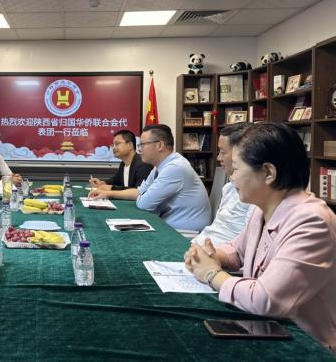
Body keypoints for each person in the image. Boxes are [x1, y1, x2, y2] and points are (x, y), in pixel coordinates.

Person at [185, 123, 336, 353]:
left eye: (236, 168)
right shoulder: (262, 210)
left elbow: (265, 299)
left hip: (307, 347)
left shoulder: (312, 222)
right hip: (269, 331)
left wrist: (211, 273)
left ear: (268, 173)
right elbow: (238, 251)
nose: (231, 177)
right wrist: (209, 256)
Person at [89, 124, 210, 232]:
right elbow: (139, 192)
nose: (139, 149)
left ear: (160, 145)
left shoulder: (175, 168)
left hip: (183, 233)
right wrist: (107, 194)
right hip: (168, 224)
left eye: (143, 144)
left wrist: (142, 195)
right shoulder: (159, 167)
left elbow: (144, 203)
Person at [192, 123, 255, 246]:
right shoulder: (228, 187)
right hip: (201, 244)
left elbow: (247, 243)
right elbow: (217, 228)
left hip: (218, 253)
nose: (218, 158)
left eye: (222, 152)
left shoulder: (256, 194)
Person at [89, 129, 152, 194]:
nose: (114, 148)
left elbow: (139, 192)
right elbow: (116, 180)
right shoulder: (123, 163)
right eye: (113, 145)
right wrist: (102, 183)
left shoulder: (143, 164)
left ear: (130, 145)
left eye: (117, 144)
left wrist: (111, 188)